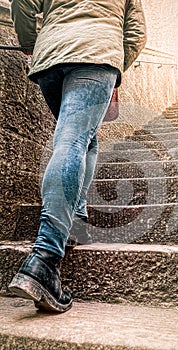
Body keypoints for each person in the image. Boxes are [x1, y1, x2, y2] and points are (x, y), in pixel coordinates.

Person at [8, 0, 147, 313]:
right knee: (73, 138)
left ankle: (77, 219)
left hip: (51, 58)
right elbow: (136, 33)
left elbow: (21, 3)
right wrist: (115, 62)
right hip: (97, 54)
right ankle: (43, 260)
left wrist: (31, 44)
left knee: (84, 138)